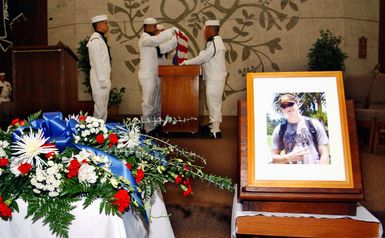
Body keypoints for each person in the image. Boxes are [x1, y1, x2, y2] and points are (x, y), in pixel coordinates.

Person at [181, 20, 227, 139]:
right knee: (213, 103)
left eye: (204, 30)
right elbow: (208, 60)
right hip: (214, 77)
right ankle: (213, 125)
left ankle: (215, 131)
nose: (203, 33)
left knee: (213, 103)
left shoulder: (215, 43)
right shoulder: (214, 42)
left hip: (216, 78)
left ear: (210, 29)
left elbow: (203, 57)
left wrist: (186, 63)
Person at [138, 17, 177, 133]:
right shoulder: (145, 39)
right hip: (147, 76)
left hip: (154, 76)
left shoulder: (153, 42)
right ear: (148, 27)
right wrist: (170, 31)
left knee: (155, 103)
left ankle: (154, 124)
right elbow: (157, 40)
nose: (156, 28)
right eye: (154, 26)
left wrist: (176, 39)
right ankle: (147, 128)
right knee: (148, 103)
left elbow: (164, 47)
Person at [270, 94, 330, 164]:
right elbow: (273, 157)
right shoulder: (279, 129)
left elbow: (324, 153)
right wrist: (287, 158)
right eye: (284, 106)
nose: (287, 107)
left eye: (290, 104)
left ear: (298, 104)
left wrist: (321, 173)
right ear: (282, 109)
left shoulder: (314, 124)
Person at [87, 14, 111, 122]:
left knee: (103, 109)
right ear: (100, 25)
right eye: (105, 23)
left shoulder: (100, 39)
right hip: (99, 79)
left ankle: (102, 134)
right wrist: (102, 80)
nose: (107, 25)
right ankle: (95, 135)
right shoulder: (95, 40)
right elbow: (97, 62)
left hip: (104, 78)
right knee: (100, 109)